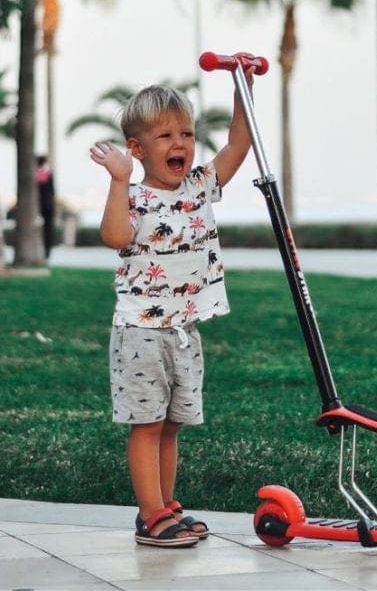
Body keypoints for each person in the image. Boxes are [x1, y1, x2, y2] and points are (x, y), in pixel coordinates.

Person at [90, 65, 255, 547]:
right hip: (141, 331)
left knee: (171, 425)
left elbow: (238, 144)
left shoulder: (199, 186)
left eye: (185, 133)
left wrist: (242, 87)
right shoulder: (135, 196)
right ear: (137, 149)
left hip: (184, 328)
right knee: (147, 424)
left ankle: (166, 504)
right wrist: (119, 180)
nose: (179, 142)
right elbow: (114, 237)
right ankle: (150, 515)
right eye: (165, 136)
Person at [36, 155, 55, 258]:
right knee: (48, 229)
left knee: (39, 229)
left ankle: (41, 250)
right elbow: (52, 192)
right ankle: (47, 251)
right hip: (48, 206)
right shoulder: (49, 175)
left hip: (38, 206)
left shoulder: (34, 176)